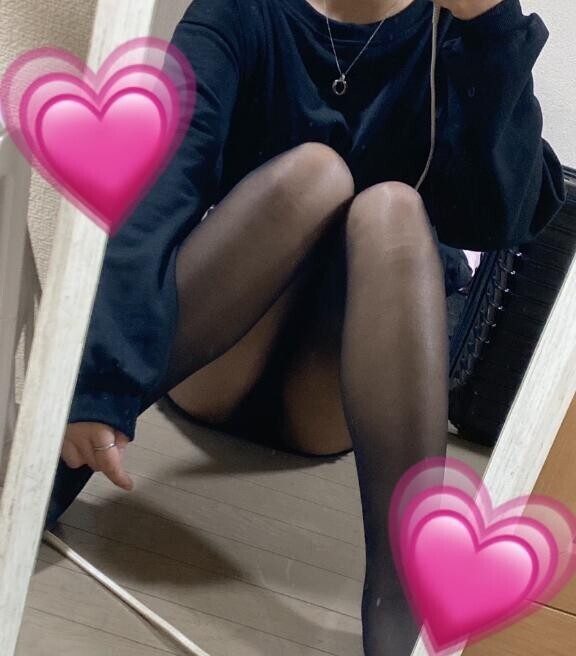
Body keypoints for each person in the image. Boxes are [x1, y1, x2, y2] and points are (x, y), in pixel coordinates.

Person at [45, 0, 566, 653]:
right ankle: (58, 467)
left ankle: (405, 598)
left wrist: (490, 30)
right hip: (217, 359)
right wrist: (98, 382)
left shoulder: (448, 35)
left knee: (393, 209)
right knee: (314, 175)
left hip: (331, 396)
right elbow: (163, 184)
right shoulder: (242, 11)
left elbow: (502, 219)